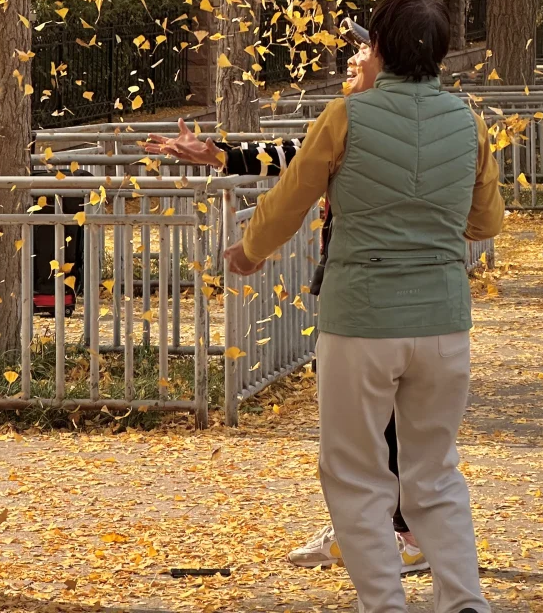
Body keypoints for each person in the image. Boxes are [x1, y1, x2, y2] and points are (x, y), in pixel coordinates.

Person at [223, 0, 504, 613]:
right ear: (441, 52)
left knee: (355, 475)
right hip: (443, 320)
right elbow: (486, 222)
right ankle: (464, 603)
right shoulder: (470, 123)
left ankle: (383, 604)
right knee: (434, 474)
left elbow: (290, 199)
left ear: (377, 45)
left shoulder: (346, 116)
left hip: (361, 319)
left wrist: (249, 251)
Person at [144, 107, 431, 576]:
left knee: (382, 421)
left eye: (358, 63)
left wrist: (254, 245)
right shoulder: (358, 118)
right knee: (369, 422)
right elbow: (298, 155)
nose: (350, 69)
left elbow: (301, 170)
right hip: (383, 291)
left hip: (384, 290)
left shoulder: (385, 119)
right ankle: (371, 528)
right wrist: (220, 154)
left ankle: (405, 535)